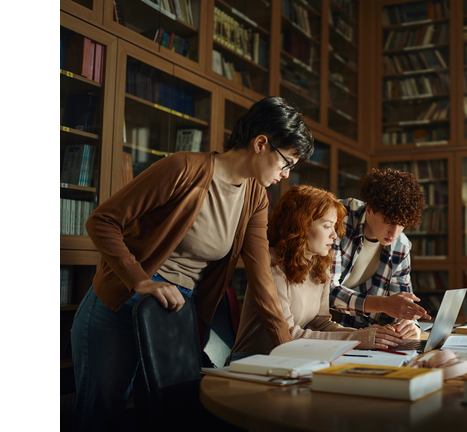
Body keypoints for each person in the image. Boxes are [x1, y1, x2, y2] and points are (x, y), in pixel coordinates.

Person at [70, 96, 313, 431]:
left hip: (176, 311)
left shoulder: (256, 196)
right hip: (124, 300)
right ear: (260, 144)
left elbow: (261, 279)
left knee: (160, 414)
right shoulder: (183, 168)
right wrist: (140, 280)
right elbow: (102, 221)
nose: (286, 175)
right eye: (286, 163)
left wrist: (289, 349)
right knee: (102, 413)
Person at [229, 185, 404, 361]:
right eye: (327, 226)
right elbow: (289, 334)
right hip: (251, 360)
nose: (335, 235)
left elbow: (321, 323)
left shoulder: (319, 263)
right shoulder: (272, 261)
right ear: (301, 225)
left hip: (292, 359)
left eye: (335, 227)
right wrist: (361, 338)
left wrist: (370, 335)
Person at [330, 167, 432, 339]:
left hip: (357, 333)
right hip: (314, 327)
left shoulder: (401, 246)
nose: (394, 233)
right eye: (388, 222)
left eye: (402, 224)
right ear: (369, 209)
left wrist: (409, 325)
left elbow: (401, 299)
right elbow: (325, 292)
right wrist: (382, 304)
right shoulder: (337, 219)